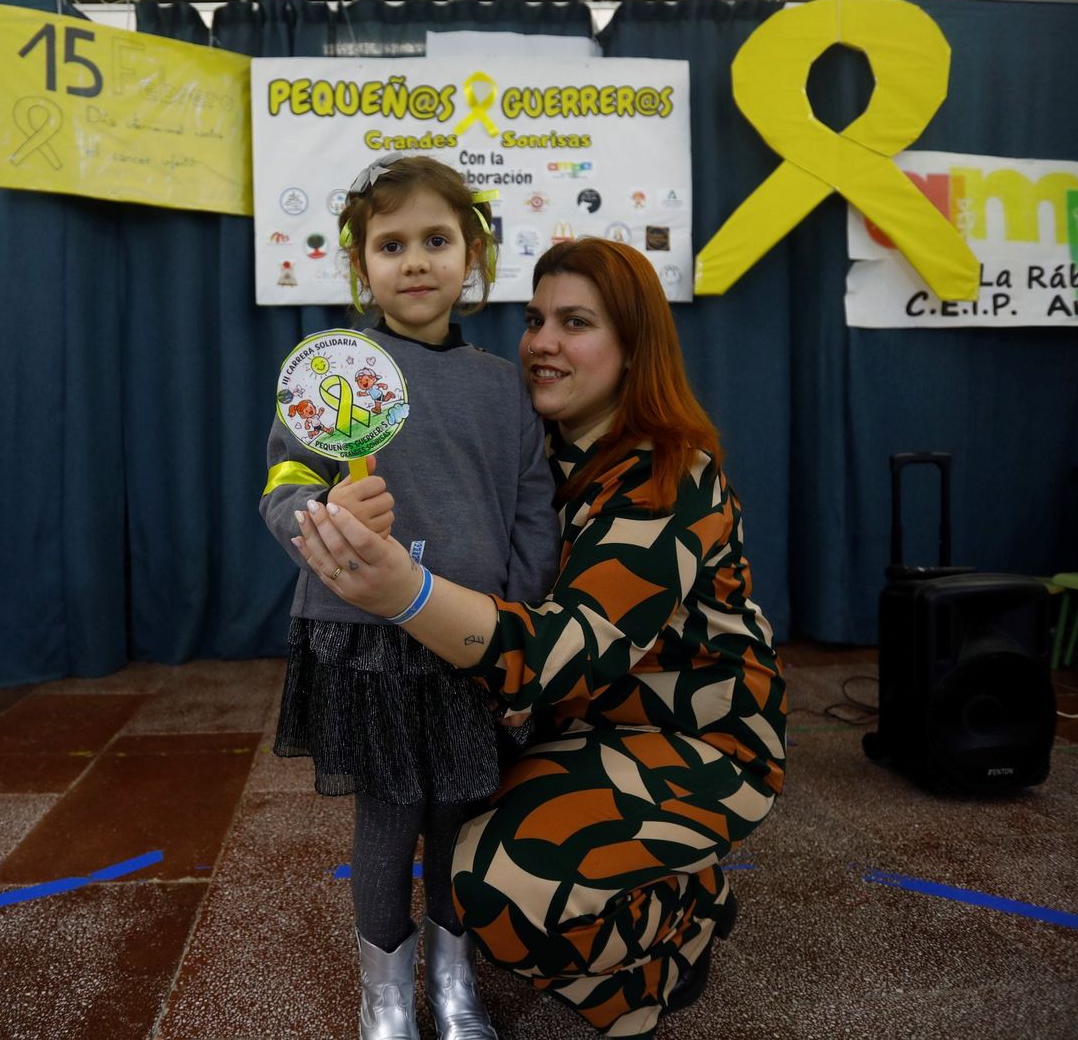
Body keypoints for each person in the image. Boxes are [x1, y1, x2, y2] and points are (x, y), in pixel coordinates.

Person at [290, 237, 787, 1040]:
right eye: (534, 320)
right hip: (569, 726)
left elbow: (567, 651)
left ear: (634, 351)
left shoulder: (668, 474)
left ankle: (674, 935)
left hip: (693, 739)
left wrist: (402, 593)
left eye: (576, 323)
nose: (542, 342)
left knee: (494, 881)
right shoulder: (532, 446)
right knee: (436, 790)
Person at [260, 152, 561, 1040]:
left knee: (462, 817)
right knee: (390, 820)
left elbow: (532, 514)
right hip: (366, 637)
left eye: (437, 240)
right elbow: (284, 485)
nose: (416, 261)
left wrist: (517, 628)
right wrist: (321, 516)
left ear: (474, 257)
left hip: (473, 640)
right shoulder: (336, 370)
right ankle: (385, 1000)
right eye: (391, 245)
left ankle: (454, 984)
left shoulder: (503, 385)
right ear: (362, 266)